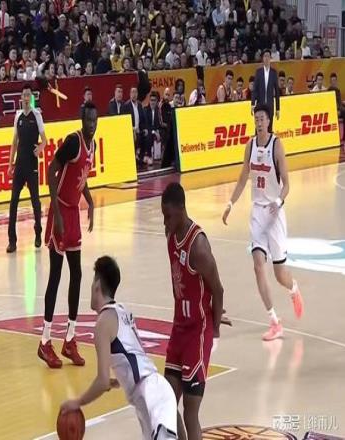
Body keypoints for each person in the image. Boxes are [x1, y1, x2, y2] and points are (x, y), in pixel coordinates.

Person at [60, 256, 178, 440]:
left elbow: (102, 381)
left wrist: (77, 402)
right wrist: (120, 380)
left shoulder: (103, 322)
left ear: (97, 285)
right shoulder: (122, 310)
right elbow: (133, 356)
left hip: (153, 397)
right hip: (154, 393)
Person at [222, 104, 303, 341]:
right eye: (256, 118)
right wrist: (230, 204)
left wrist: (278, 201)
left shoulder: (277, 145)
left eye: (262, 118)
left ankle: (293, 288)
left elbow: (287, 184)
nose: (258, 122)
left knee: (279, 274)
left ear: (269, 121)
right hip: (258, 212)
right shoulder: (250, 145)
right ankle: (274, 321)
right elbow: (242, 178)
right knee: (258, 265)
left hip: (274, 213)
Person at [161, 182, 226, 440]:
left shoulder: (198, 247)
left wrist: (215, 329)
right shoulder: (170, 236)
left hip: (198, 332)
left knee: (190, 413)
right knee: (166, 403)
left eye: (168, 216)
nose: (165, 222)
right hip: (179, 328)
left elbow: (218, 289)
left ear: (181, 209)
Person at [38, 102, 97, 369]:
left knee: (77, 274)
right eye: (88, 121)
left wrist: (90, 201)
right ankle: (45, 341)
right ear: (81, 120)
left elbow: (80, 177)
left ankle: (70, 339)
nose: (91, 125)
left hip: (73, 211)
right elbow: (52, 171)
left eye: (94, 121)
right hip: (60, 210)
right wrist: (57, 215)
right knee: (55, 275)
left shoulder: (92, 146)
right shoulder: (73, 142)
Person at [6, 84, 47, 253]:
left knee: (35, 200)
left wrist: (40, 148)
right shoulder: (18, 117)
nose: (26, 97)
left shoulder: (37, 115)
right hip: (20, 164)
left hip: (32, 164)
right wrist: (10, 163)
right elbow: (14, 142)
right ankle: (12, 241)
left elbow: (44, 139)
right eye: (23, 95)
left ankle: (38, 232)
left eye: (28, 95)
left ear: (31, 98)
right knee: (13, 201)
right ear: (21, 97)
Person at [251, 49, 280, 132]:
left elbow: (277, 91)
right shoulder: (258, 72)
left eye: (268, 56)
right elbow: (255, 89)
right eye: (265, 56)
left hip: (270, 105)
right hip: (260, 105)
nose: (267, 58)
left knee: (269, 129)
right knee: (259, 128)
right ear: (262, 58)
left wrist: (278, 108)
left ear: (270, 58)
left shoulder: (274, 72)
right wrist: (252, 103)